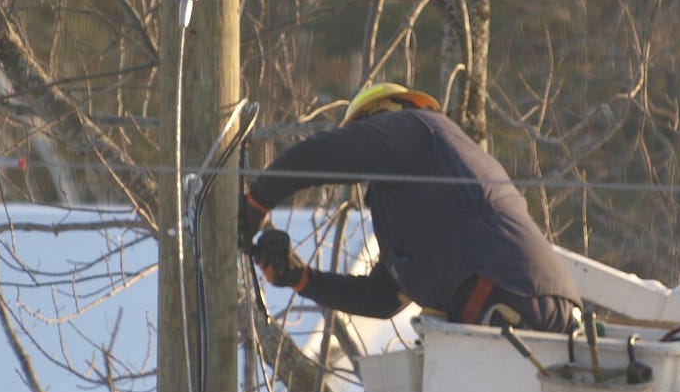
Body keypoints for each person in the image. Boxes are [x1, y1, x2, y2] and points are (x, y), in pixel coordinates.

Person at [239, 82, 581, 334]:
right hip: (529, 299)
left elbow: (326, 154)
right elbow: (383, 298)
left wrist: (258, 201)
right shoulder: (420, 193)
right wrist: (300, 278)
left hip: (505, 294)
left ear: (378, 117)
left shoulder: (415, 130)